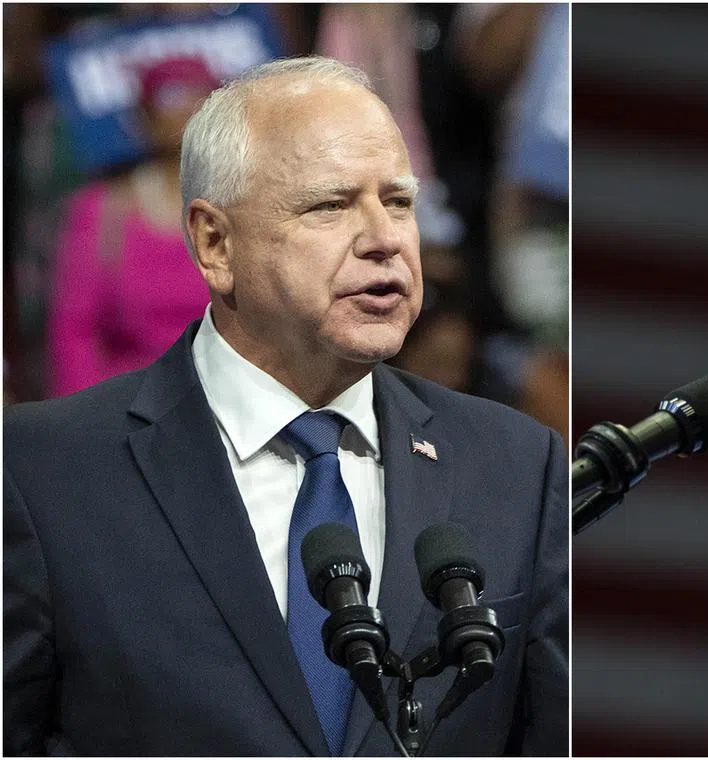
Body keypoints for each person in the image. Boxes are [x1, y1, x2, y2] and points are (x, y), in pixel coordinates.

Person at [4, 56, 567, 756]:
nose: (385, 239)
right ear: (215, 243)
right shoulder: (41, 472)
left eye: (398, 202)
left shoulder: (518, 465)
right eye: (330, 205)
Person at [45, 56, 216, 397]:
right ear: (143, 116)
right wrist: (88, 414)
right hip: (127, 404)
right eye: (171, 96)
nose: (187, 108)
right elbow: (73, 330)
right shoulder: (103, 211)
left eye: (200, 96)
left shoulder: (243, 206)